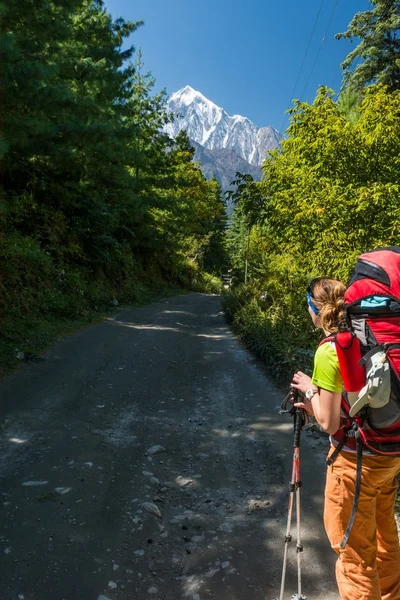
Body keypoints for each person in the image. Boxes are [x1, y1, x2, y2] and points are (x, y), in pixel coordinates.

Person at [291, 277, 400, 600]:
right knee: (385, 538)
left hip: (354, 463)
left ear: (315, 309)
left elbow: (328, 421)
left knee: (354, 552)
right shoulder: (376, 336)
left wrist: (309, 390)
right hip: (390, 455)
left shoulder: (331, 349)